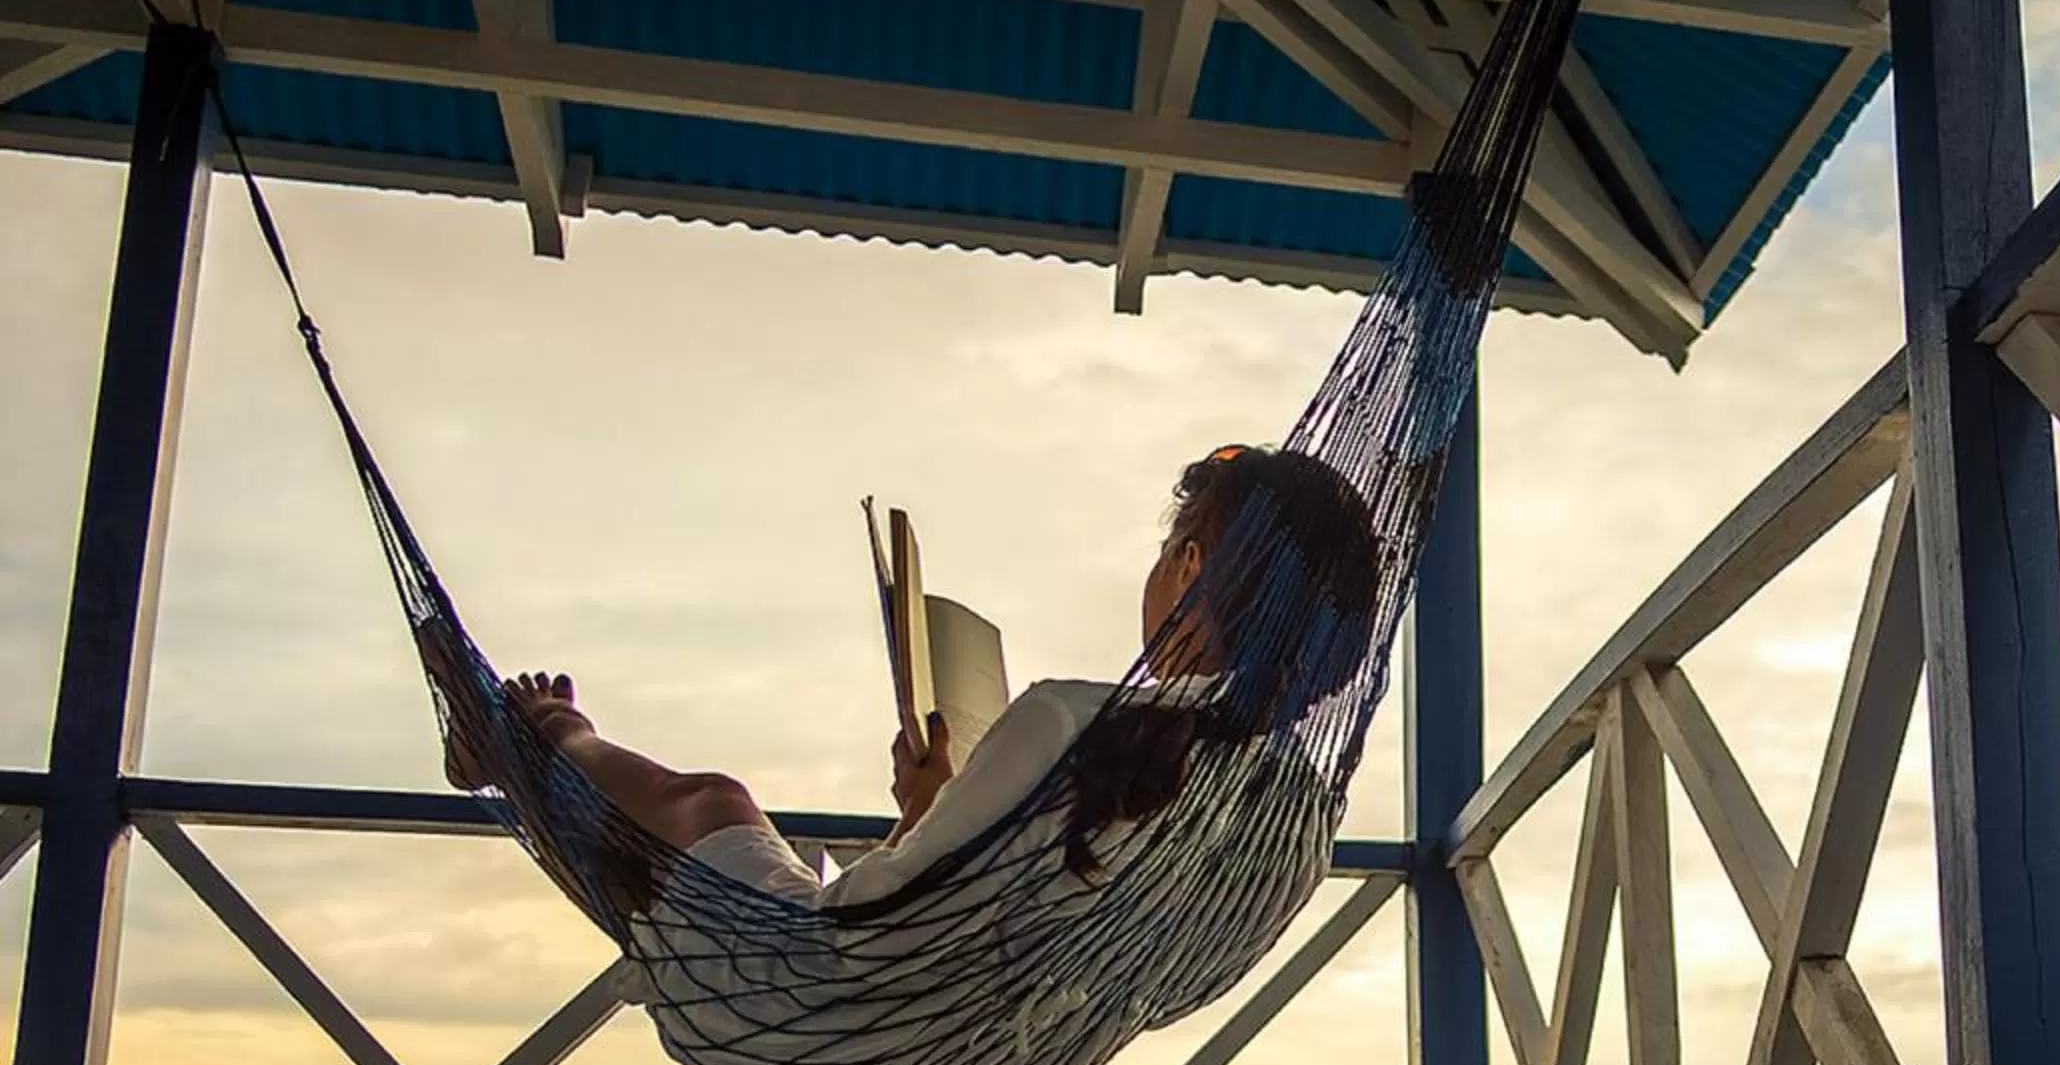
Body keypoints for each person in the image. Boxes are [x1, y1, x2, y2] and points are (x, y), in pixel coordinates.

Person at [432, 444, 1381, 913]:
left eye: (1172, 547)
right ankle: (520, 761)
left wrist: (941, 809)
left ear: (1188, 568)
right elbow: (1009, 918)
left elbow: (878, 915)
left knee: (711, 810)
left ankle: (546, 738)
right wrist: (936, 806)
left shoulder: (1070, 725)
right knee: (681, 893)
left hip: (827, 1016)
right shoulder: (1292, 824)